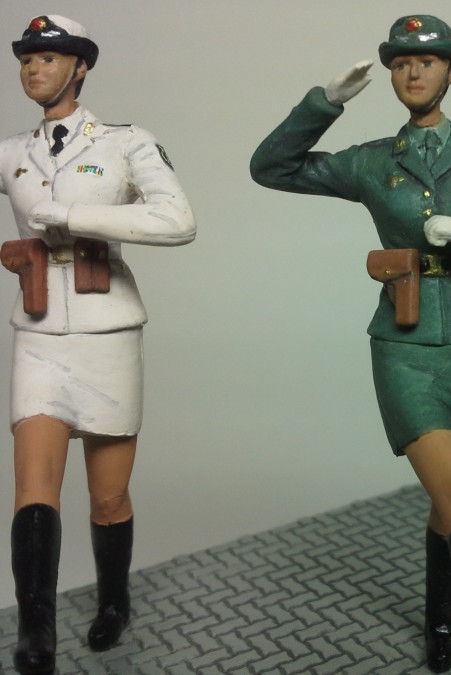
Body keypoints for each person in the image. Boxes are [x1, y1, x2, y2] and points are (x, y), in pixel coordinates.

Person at [251, 14, 451, 675]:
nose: (412, 73)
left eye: (426, 62)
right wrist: (325, 103)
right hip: (401, 340)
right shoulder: (373, 160)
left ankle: (439, 621)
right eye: (400, 63)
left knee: (450, 501)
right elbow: (272, 167)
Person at [1, 15, 196, 674]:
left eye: (49, 58)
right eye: (27, 58)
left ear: (80, 67)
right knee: (33, 486)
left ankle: (115, 599)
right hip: (37, 333)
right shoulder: (12, 151)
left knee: (108, 494)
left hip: (106, 329)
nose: (34, 68)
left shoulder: (124, 142)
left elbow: (177, 220)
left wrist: (75, 216)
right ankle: (36, 630)